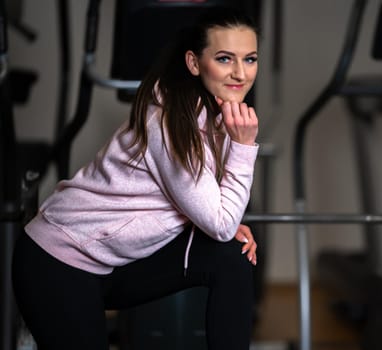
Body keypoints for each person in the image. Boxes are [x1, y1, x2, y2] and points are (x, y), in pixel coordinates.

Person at [12, 6, 260, 350]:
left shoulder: (214, 116)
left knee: (231, 256)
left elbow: (208, 211)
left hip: (112, 264)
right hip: (59, 264)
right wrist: (243, 148)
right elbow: (218, 220)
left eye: (249, 59)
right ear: (193, 63)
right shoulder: (171, 121)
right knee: (223, 236)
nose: (240, 74)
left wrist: (224, 221)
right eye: (224, 58)